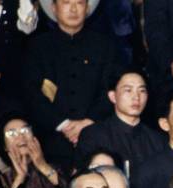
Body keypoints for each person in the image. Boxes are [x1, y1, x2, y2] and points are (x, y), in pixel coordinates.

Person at [22, 0, 120, 172]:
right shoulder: (38, 46)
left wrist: (88, 122)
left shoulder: (106, 45)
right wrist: (63, 124)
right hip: (51, 138)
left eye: (80, 3)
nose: (73, 9)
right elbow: (31, 94)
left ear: (87, 9)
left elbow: (112, 89)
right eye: (66, 3)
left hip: (97, 137)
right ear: (54, 8)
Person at [74, 68, 165, 175]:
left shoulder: (157, 140)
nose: (136, 97)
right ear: (113, 96)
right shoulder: (93, 135)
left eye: (142, 91)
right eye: (128, 90)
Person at [0, 112, 66, 188]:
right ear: (4, 146)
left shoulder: (57, 167)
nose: (21, 137)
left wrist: (43, 166)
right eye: (11, 133)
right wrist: (20, 178)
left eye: (25, 130)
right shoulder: (2, 178)